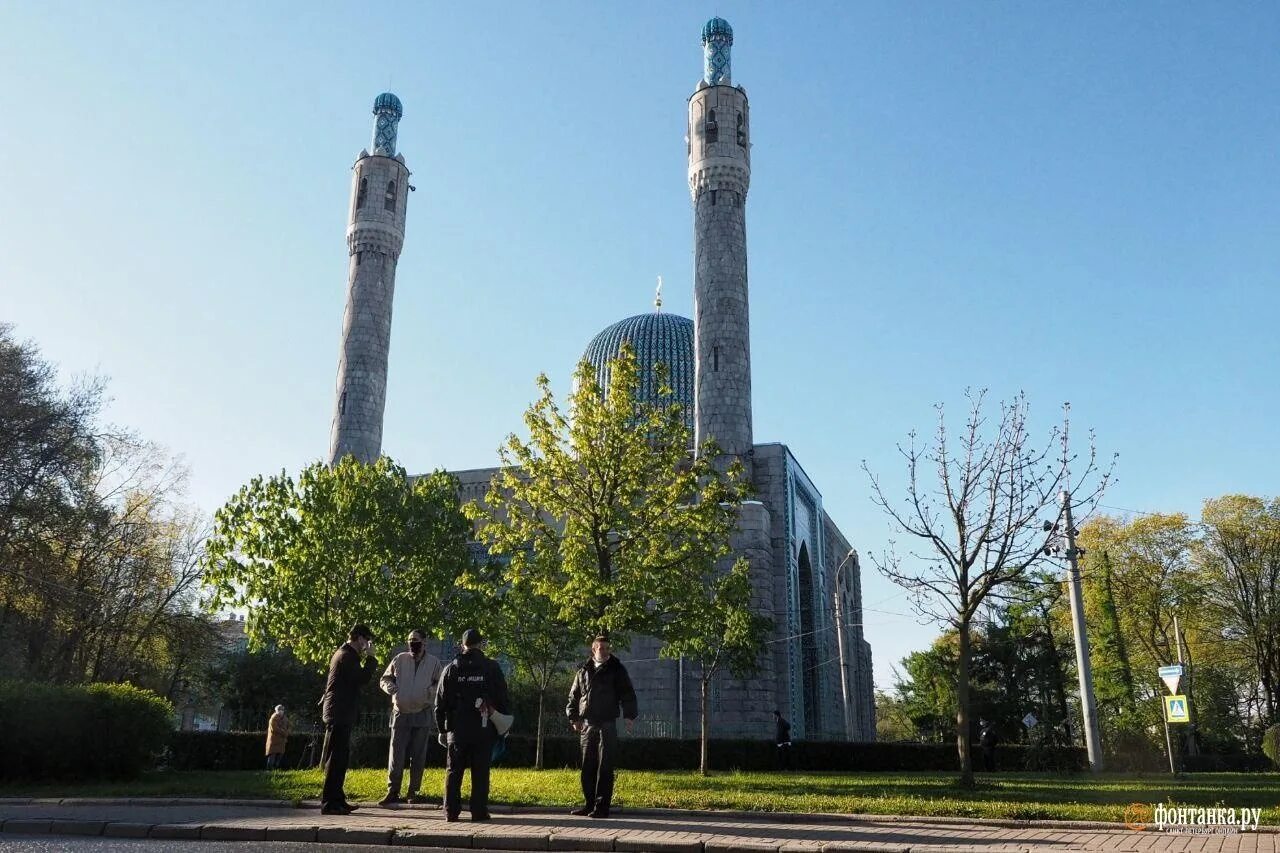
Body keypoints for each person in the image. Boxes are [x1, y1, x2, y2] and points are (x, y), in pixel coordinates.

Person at [434, 628, 509, 822]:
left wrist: (442, 729)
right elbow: (503, 698)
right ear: (481, 644)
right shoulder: (491, 667)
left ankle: (451, 811)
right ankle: (478, 811)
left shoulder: (451, 668)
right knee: (480, 772)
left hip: (457, 729)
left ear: (462, 644)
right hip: (483, 729)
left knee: (453, 771)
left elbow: (439, 703)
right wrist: (503, 725)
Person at [566, 635, 637, 819]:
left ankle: (601, 807)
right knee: (587, 767)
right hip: (587, 726)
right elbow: (574, 696)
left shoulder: (617, 669)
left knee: (605, 768)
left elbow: (627, 693)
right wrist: (574, 718)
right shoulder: (583, 670)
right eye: (601, 648)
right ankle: (589, 804)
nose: (604, 651)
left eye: (607, 648)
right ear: (593, 649)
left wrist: (629, 716)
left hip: (607, 725)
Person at [378, 629, 443, 806]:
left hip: (422, 712)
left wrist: (430, 692)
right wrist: (390, 687)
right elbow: (384, 679)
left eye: (415, 640)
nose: (411, 643)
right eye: (409, 640)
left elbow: (440, 683)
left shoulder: (434, 662)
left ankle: (413, 792)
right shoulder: (399, 659)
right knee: (396, 755)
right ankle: (392, 791)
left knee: (418, 755)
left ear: (424, 642)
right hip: (400, 712)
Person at [319, 624, 378, 815]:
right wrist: (371, 658)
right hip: (339, 712)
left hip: (340, 711)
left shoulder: (345, 654)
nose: (368, 645)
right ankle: (329, 803)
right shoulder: (346, 656)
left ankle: (338, 799)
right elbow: (361, 678)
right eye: (367, 640)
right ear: (360, 638)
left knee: (340, 758)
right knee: (336, 759)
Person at [265, 705, 290, 770]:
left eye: (282, 710)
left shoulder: (286, 719)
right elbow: (275, 729)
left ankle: (276, 769)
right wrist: (284, 732)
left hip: (282, 741)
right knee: (272, 756)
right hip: (274, 741)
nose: (281, 711)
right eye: (279, 710)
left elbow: (289, 727)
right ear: (276, 711)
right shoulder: (273, 719)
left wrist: (287, 732)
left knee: (279, 756)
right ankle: (269, 769)